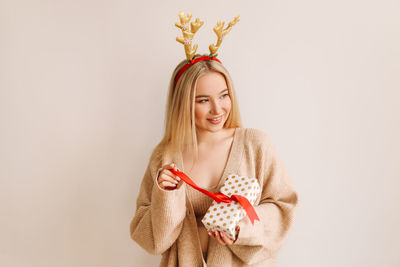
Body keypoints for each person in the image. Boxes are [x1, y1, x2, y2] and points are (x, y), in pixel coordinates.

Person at [130, 12, 298, 267]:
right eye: (203, 101)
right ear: (184, 104)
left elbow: (284, 207)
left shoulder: (255, 144)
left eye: (223, 95)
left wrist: (242, 228)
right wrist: (166, 195)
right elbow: (154, 241)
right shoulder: (164, 156)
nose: (218, 109)